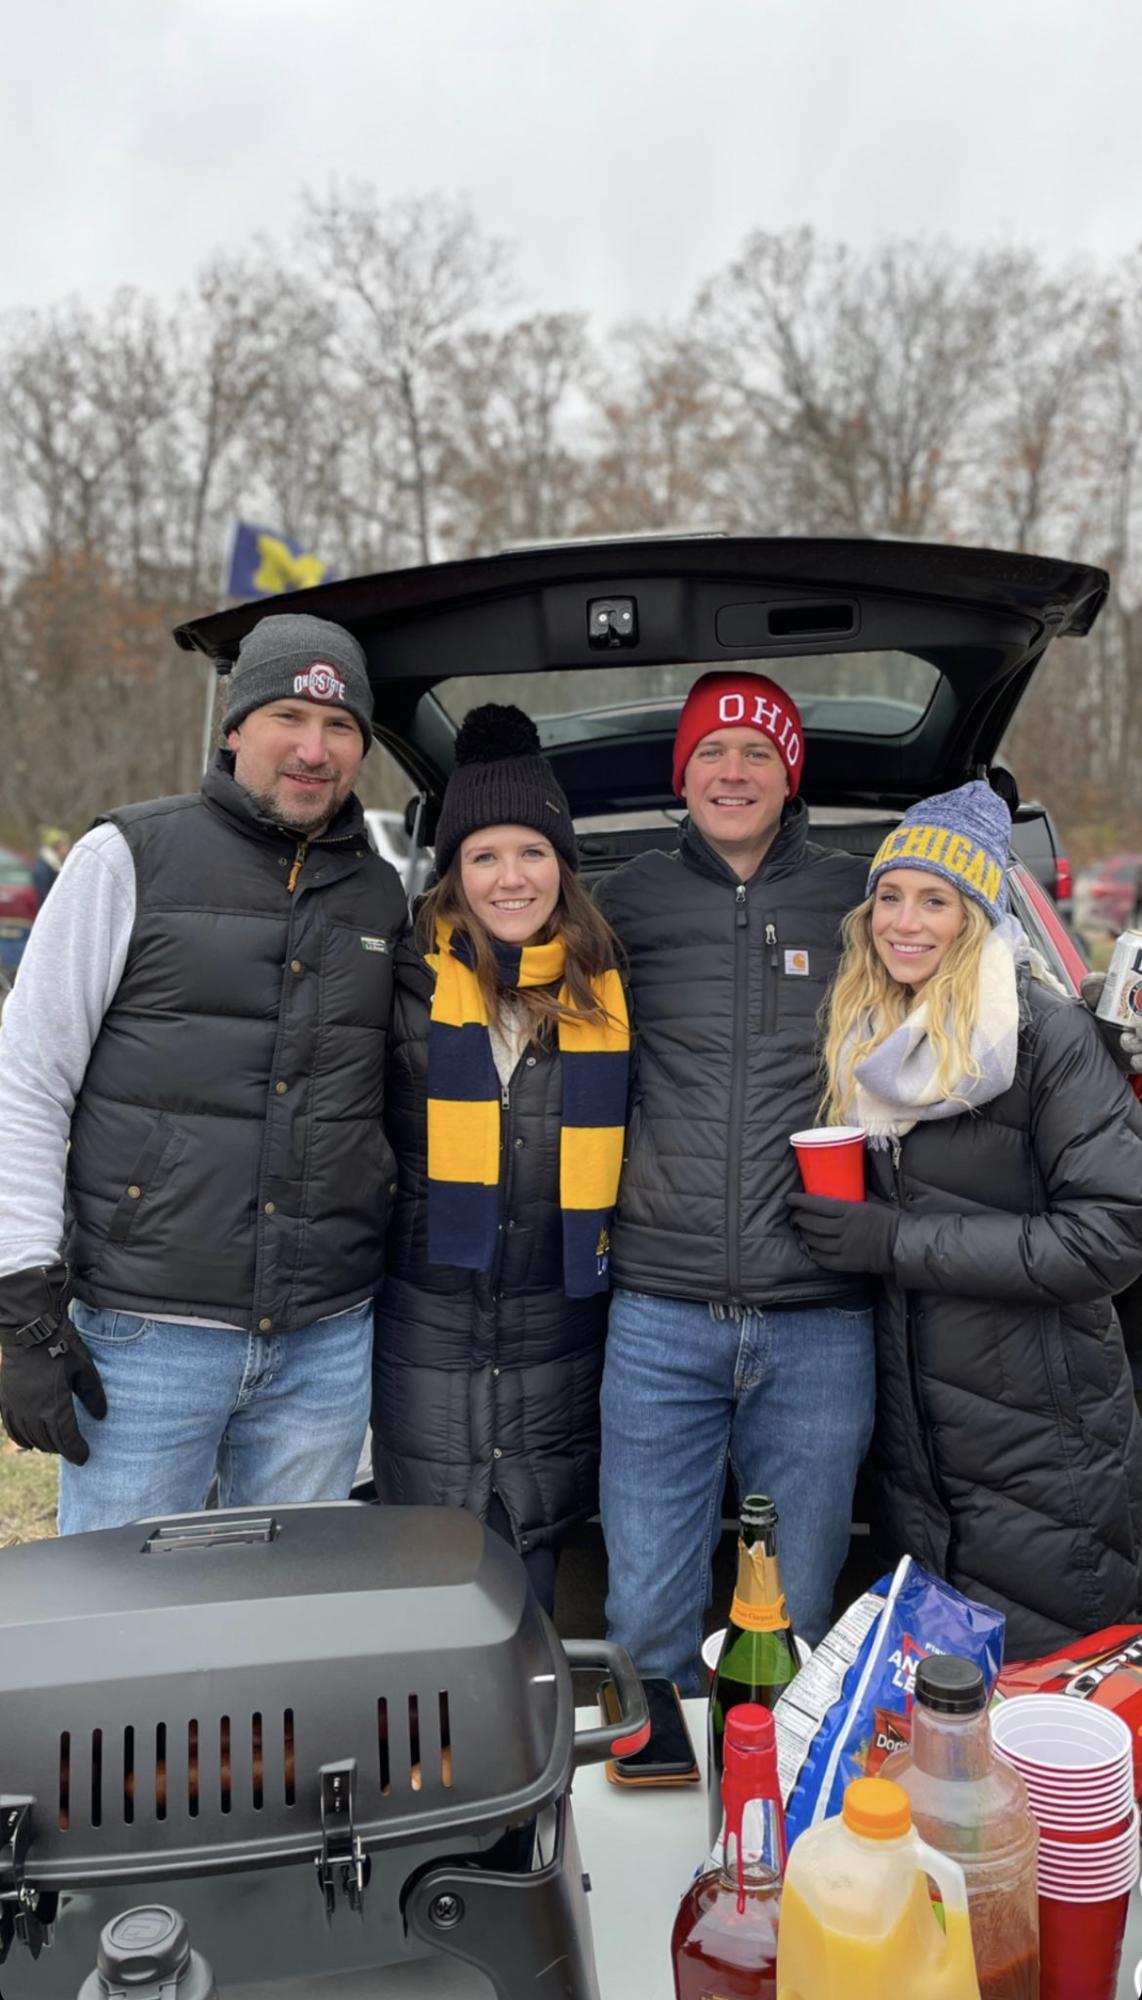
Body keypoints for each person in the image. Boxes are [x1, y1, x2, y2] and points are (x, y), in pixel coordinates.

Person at [0, 613, 408, 1533]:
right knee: (120, 1632)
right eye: (288, 718)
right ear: (235, 727)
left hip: (325, 1342)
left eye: (340, 726)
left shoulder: (381, 894)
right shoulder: (128, 858)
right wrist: (22, 1303)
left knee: (288, 1628)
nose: (313, 748)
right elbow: (26, 1077)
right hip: (148, 1339)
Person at [789, 781, 1142, 1656]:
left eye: (936, 901)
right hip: (922, 1448)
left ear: (977, 916)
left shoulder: (1040, 1038)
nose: (905, 922)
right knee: (951, 1710)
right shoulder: (869, 1038)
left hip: (1044, 1437)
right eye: (890, 897)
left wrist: (896, 1243)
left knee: (1048, 1689)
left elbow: (1113, 1234)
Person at [595, 672, 876, 1689]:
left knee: (792, 1626)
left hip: (818, 1314)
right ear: (682, 772)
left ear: (788, 773)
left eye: (757, 751)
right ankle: (659, 1823)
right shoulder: (622, 901)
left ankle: (770, 1830)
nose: (732, 769)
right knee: (643, 1618)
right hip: (658, 1314)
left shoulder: (860, 896)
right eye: (711, 750)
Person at [372, 705, 628, 1616]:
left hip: (559, 1331)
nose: (510, 878)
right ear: (453, 871)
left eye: (531, 853)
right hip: (425, 1331)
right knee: (428, 1582)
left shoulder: (607, 989)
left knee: (534, 1576)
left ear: (563, 863)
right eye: (484, 856)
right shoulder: (402, 978)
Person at [31, 827, 71, 905]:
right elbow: (44, 895)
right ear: (55, 847)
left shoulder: (53, 864)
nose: (68, 848)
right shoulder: (44, 867)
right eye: (64, 845)